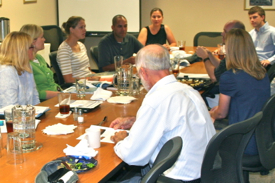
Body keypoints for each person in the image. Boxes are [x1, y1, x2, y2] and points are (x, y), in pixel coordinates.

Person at [109, 44, 216, 182]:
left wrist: (121, 140)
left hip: (177, 177)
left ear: (143, 72)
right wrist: (137, 120)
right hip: (206, 172)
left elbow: (133, 156)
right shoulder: (189, 91)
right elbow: (172, 120)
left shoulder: (156, 100)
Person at [210, 29, 270, 155]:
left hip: (243, 142)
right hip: (264, 140)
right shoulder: (262, 72)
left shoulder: (230, 76)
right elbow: (249, 101)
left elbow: (221, 114)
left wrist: (212, 115)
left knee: (205, 119)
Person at [20, 24, 61, 100]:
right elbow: (33, 93)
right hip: (44, 101)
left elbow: (52, 83)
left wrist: (64, 93)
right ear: (32, 41)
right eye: (41, 37)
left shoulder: (39, 58)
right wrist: (60, 94)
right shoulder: (25, 63)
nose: (44, 39)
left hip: (55, 96)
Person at [0, 32, 40, 108]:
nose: (34, 49)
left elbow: (35, 98)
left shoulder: (27, 66)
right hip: (10, 117)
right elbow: (10, 108)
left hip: (26, 116)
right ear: (21, 50)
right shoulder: (6, 71)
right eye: (31, 47)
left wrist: (40, 113)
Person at [57, 16, 94, 83]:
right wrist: (87, 79)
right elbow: (68, 80)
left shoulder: (81, 45)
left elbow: (88, 70)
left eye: (84, 27)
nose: (84, 30)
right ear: (71, 30)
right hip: (79, 85)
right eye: (81, 27)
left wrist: (98, 76)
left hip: (89, 81)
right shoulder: (64, 50)